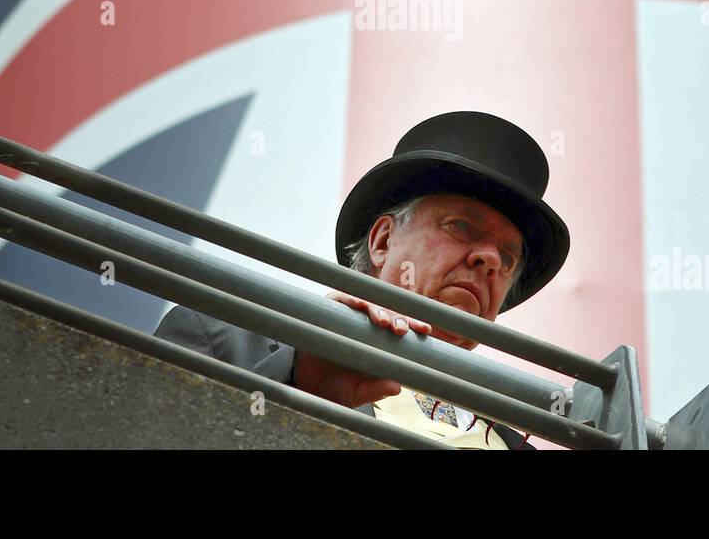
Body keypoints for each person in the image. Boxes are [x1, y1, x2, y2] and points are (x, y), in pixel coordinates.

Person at [154, 111, 571, 449]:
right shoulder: (224, 341)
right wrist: (301, 396)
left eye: (509, 257)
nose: (490, 259)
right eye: (462, 226)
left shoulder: (516, 440)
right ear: (384, 241)